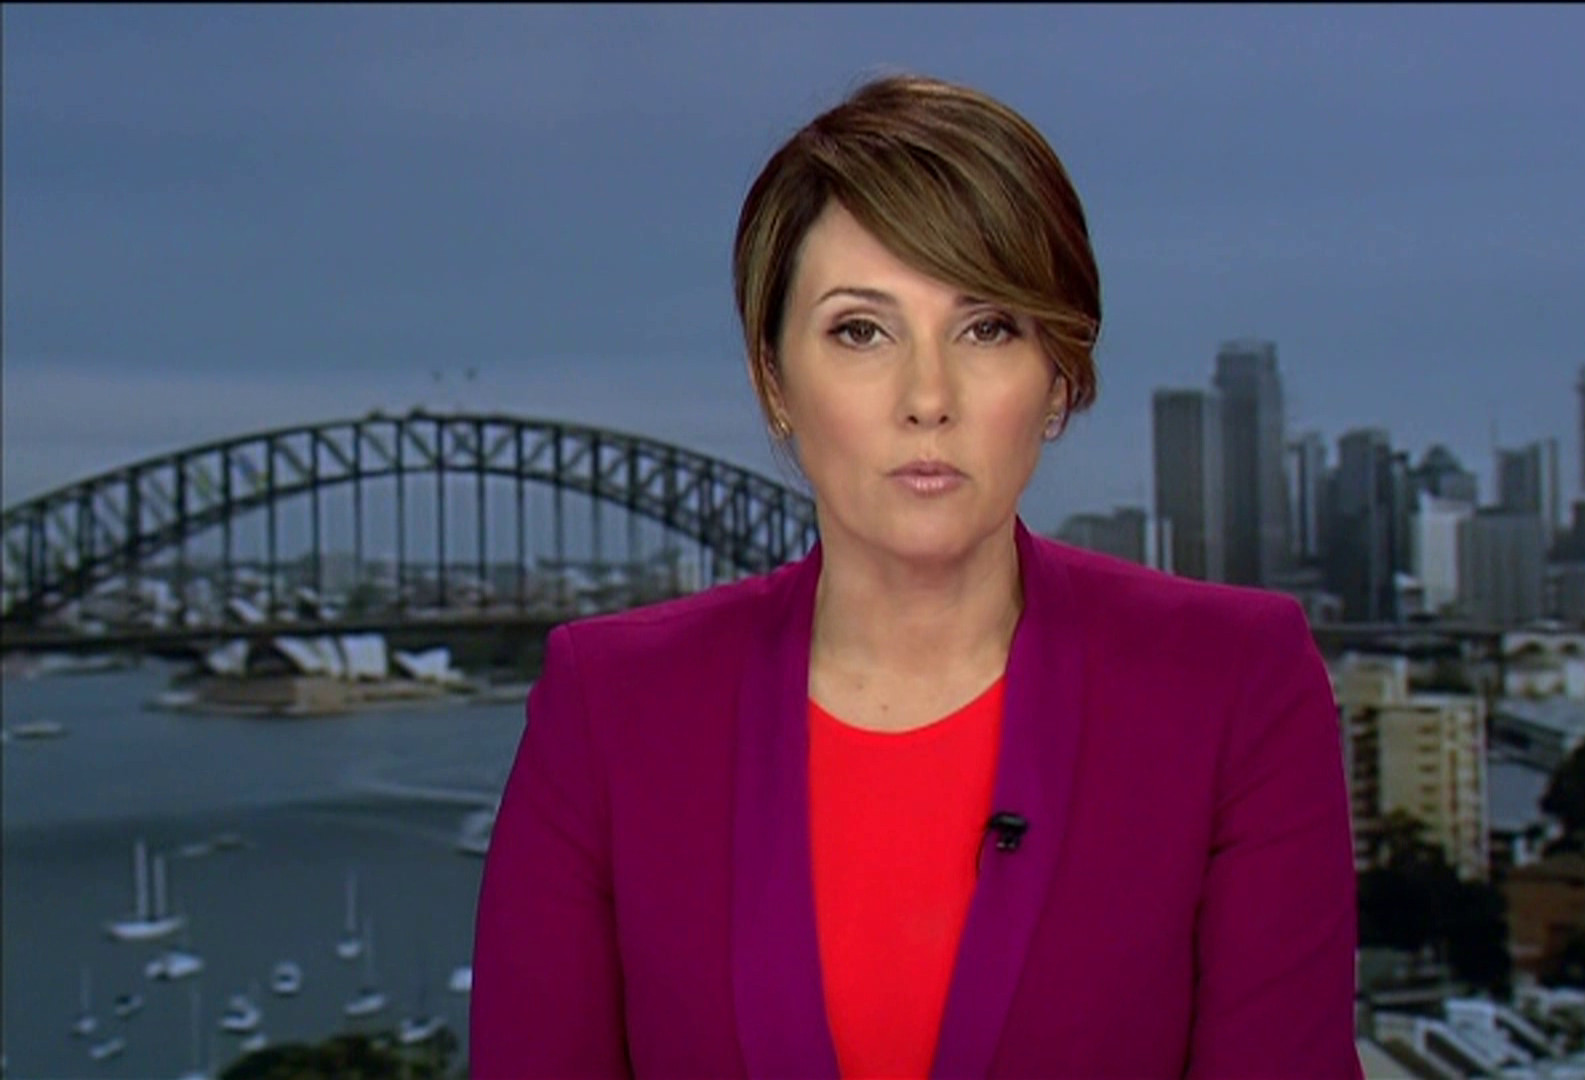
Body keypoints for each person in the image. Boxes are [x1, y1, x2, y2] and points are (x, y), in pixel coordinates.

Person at [471, 71, 1360, 1079]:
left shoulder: (1237, 685)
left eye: (988, 327)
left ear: (1059, 377)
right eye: (861, 331)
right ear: (775, 380)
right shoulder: (608, 708)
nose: (927, 397)